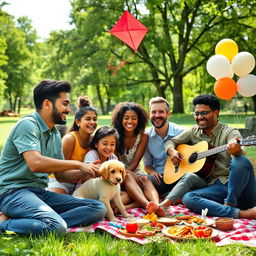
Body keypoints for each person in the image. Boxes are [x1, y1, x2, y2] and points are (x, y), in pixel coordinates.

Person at [0, 79, 106, 235]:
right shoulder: (28, 125)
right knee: (57, 227)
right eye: (64, 104)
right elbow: (35, 163)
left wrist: (87, 171)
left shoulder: (55, 133)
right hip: (13, 193)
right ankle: (5, 224)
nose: (69, 109)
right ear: (47, 104)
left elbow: (61, 176)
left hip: (40, 193)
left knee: (97, 208)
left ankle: (46, 222)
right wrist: (77, 164)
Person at [165, 94, 256, 219]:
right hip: (214, 187)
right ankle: (241, 214)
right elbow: (171, 141)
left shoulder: (229, 131)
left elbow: (239, 146)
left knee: (240, 160)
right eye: (196, 114)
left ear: (216, 112)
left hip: (237, 186)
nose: (199, 117)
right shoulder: (194, 131)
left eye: (204, 113)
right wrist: (172, 151)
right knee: (188, 198)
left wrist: (236, 149)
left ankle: (230, 203)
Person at [143, 96, 204, 209]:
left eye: (161, 112)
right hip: (161, 178)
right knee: (142, 180)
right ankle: (171, 197)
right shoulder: (146, 136)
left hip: (181, 178)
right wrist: (152, 172)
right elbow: (147, 165)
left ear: (168, 114)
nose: (157, 115)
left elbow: (197, 152)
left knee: (190, 180)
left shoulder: (182, 132)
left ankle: (167, 198)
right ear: (149, 114)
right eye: (153, 112)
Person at [112, 102, 164, 216]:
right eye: (126, 118)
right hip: (117, 173)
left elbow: (136, 163)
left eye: (133, 118)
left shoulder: (143, 136)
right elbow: (114, 162)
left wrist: (130, 173)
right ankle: (147, 205)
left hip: (134, 170)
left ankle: (156, 205)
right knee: (129, 176)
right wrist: (123, 174)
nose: (130, 121)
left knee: (145, 178)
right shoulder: (114, 135)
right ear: (120, 119)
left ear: (139, 119)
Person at [47, 96, 98, 194]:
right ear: (78, 122)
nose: (92, 122)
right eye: (88, 119)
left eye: (94, 119)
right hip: (61, 182)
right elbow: (60, 175)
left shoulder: (93, 140)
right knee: (58, 204)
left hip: (81, 183)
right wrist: (83, 171)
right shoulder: (70, 139)